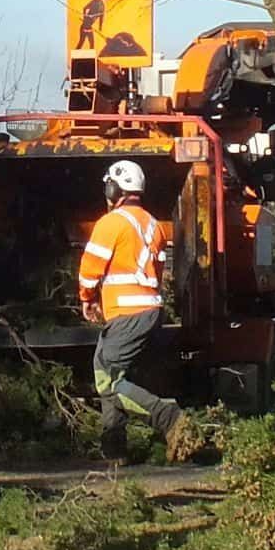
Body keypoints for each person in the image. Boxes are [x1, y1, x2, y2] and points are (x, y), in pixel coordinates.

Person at [78, 159, 199, 462]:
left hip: (127, 313)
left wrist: (87, 298)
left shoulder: (111, 223)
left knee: (108, 382)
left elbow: (89, 270)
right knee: (106, 372)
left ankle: (169, 418)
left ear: (113, 188)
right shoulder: (153, 225)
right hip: (148, 312)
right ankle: (114, 450)